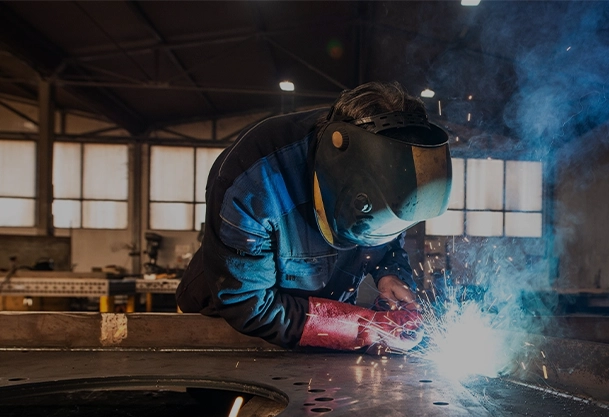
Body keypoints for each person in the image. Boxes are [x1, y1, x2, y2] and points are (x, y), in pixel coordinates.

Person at [176, 82, 452, 353]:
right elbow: (248, 304)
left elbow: (386, 241)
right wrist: (364, 326)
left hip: (327, 332)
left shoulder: (387, 182)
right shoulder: (253, 182)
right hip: (225, 333)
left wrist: (391, 274)